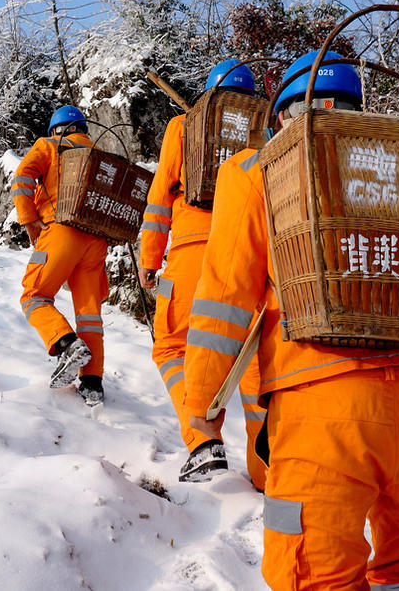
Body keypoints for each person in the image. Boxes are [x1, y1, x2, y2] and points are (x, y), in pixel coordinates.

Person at [182, 51, 399, 591]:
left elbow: (225, 298)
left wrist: (202, 406)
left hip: (323, 411)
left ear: (281, 115)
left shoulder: (257, 170)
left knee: (314, 575)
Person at [139, 59, 268, 487]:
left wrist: (149, 258)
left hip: (193, 254)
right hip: (251, 256)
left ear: (209, 95)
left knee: (172, 348)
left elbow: (159, 199)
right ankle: (269, 471)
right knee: (252, 365)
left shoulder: (185, 125)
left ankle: (202, 440)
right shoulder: (266, 129)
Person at [12, 105, 110, 406]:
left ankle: (66, 344)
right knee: (90, 316)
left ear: (57, 129)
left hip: (61, 230)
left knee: (34, 297)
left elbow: (22, 177)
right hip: (96, 240)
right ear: (83, 129)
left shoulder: (49, 146)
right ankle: (92, 382)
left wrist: (29, 219)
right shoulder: (101, 156)